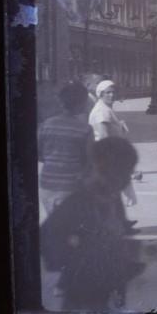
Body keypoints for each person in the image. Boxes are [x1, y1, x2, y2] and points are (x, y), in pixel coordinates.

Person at [41, 137, 153, 312]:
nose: (127, 179)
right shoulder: (79, 202)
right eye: (125, 172)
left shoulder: (112, 199)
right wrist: (75, 264)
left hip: (106, 293)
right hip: (82, 298)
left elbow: (115, 235)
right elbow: (48, 235)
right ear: (107, 170)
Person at [38, 82, 95, 218]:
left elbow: (40, 155)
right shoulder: (85, 129)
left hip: (47, 184)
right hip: (71, 187)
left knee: (55, 226)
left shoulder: (46, 124)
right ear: (81, 104)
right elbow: (89, 161)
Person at [88, 80, 137, 215]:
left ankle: (121, 223)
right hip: (106, 158)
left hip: (108, 156)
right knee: (110, 192)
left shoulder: (106, 108)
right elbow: (104, 137)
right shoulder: (101, 111)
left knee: (114, 192)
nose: (111, 95)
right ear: (100, 94)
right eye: (108, 93)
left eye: (113, 92)